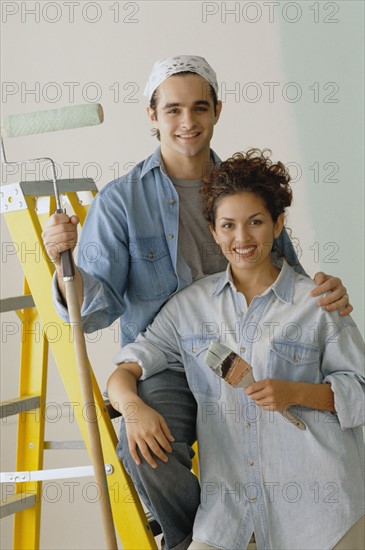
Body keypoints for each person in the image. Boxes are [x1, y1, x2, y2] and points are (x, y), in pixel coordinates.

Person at [42, 56, 353, 550]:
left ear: (217, 111)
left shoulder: (240, 186)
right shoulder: (121, 201)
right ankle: (198, 539)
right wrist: (65, 262)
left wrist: (326, 290)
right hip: (168, 363)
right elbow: (93, 309)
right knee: (143, 445)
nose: (187, 123)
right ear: (152, 115)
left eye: (199, 108)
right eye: (173, 110)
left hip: (254, 358)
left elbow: (285, 269)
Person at [107, 148, 365, 550]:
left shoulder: (318, 302)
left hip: (322, 511)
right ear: (213, 231)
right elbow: (127, 368)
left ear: (278, 224)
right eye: (228, 225)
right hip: (229, 514)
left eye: (256, 222)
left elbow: (360, 393)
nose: (241, 239)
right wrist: (133, 409)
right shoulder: (188, 308)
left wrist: (295, 393)